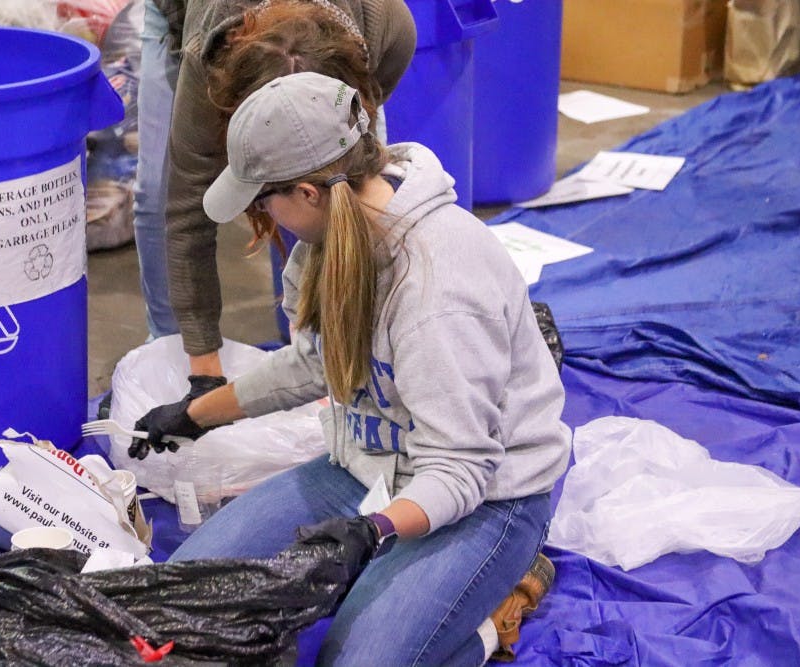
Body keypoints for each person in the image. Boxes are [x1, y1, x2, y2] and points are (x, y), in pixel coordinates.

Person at [131, 72, 572, 665]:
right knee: (183, 603)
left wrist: (375, 532)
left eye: (264, 200)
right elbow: (318, 362)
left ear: (308, 194)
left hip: (486, 497)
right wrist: (196, 413)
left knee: (355, 661)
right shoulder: (324, 245)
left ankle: (495, 613)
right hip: (365, 467)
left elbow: (462, 468)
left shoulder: (436, 293)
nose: (262, 215)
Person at [158, 0, 416, 400]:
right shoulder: (205, 64)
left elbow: (343, 172)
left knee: (342, 200)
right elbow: (187, 209)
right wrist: (204, 375)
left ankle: (357, 348)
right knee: (153, 194)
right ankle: (168, 348)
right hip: (192, 21)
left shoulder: (387, 24)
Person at [133, 0, 184, 340]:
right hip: (176, 18)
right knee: (157, 193)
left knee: (310, 171)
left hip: (292, 17)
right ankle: (167, 342)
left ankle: (334, 333)